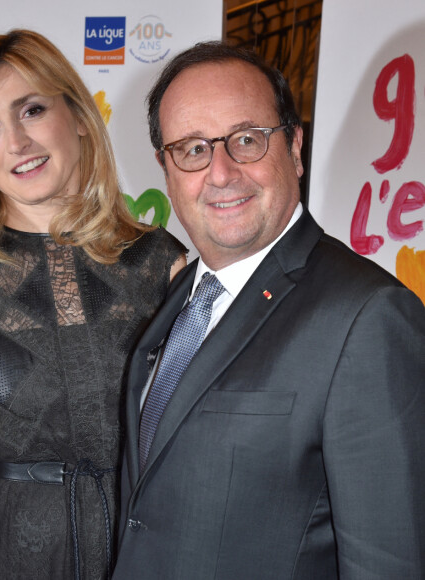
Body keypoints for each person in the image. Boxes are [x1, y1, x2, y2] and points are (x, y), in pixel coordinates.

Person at [112, 41, 425, 580]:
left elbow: (388, 562)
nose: (221, 172)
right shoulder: (178, 296)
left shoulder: (367, 315)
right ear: (166, 168)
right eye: (191, 149)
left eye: (247, 140)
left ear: (295, 148)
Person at [0, 29, 185, 580]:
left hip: (139, 549)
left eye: (31, 110)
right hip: (3, 554)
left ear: (76, 116)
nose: (16, 142)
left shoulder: (160, 264)